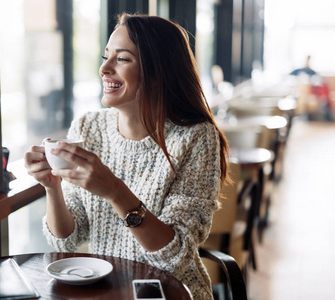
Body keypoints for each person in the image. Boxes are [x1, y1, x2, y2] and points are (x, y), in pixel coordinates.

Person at [24, 13, 230, 299]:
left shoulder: (196, 137)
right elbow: (70, 238)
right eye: (105, 56)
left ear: (158, 72)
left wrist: (115, 191)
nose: (104, 69)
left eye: (122, 59)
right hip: (105, 291)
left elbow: (176, 255)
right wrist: (52, 187)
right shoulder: (88, 127)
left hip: (171, 292)